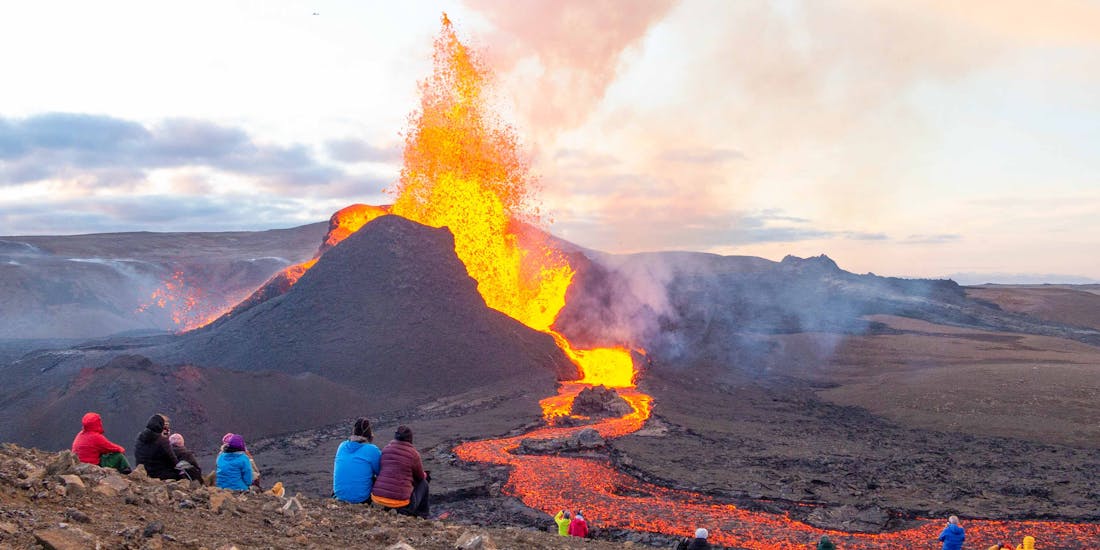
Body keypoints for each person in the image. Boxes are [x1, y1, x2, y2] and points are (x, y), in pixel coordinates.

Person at [370, 425, 430, 518]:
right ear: (410, 438)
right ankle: (422, 516)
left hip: (378, 501)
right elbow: (420, 476)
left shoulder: (386, 449)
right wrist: (426, 474)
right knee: (424, 483)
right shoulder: (413, 454)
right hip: (401, 506)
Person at [332, 417, 382, 503]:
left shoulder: (342, 446)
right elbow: (380, 472)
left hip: (339, 496)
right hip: (361, 499)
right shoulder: (371, 450)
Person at [134, 414, 179, 480]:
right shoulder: (161, 441)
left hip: (143, 472)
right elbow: (173, 461)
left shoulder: (140, 437)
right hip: (160, 474)